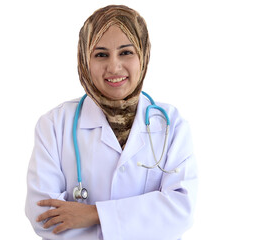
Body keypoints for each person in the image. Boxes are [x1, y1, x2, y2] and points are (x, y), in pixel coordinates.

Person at [25, 5, 197, 240]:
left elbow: (180, 210)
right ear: (85, 59)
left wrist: (94, 214)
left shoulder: (171, 125)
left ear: (143, 55)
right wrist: (137, 219)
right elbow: (44, 216)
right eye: (101, 54)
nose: (114, 67)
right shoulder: (54, 125)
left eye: (126, 52)